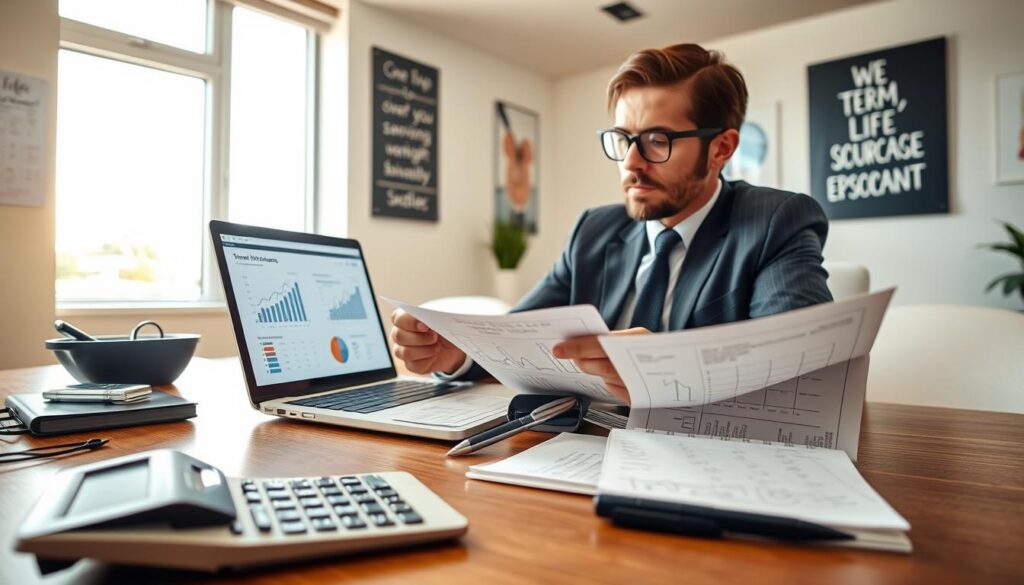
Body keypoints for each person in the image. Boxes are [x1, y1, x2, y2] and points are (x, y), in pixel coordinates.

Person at [390, 43, 832, 403]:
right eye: (623, 140)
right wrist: (457, 353)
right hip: (579, 451)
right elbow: (519, 339)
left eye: (658, 140)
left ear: (721, 148)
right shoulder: (594, 231)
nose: (632, 163)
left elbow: (803, 370)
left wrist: (667, 368)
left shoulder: (775, 222)